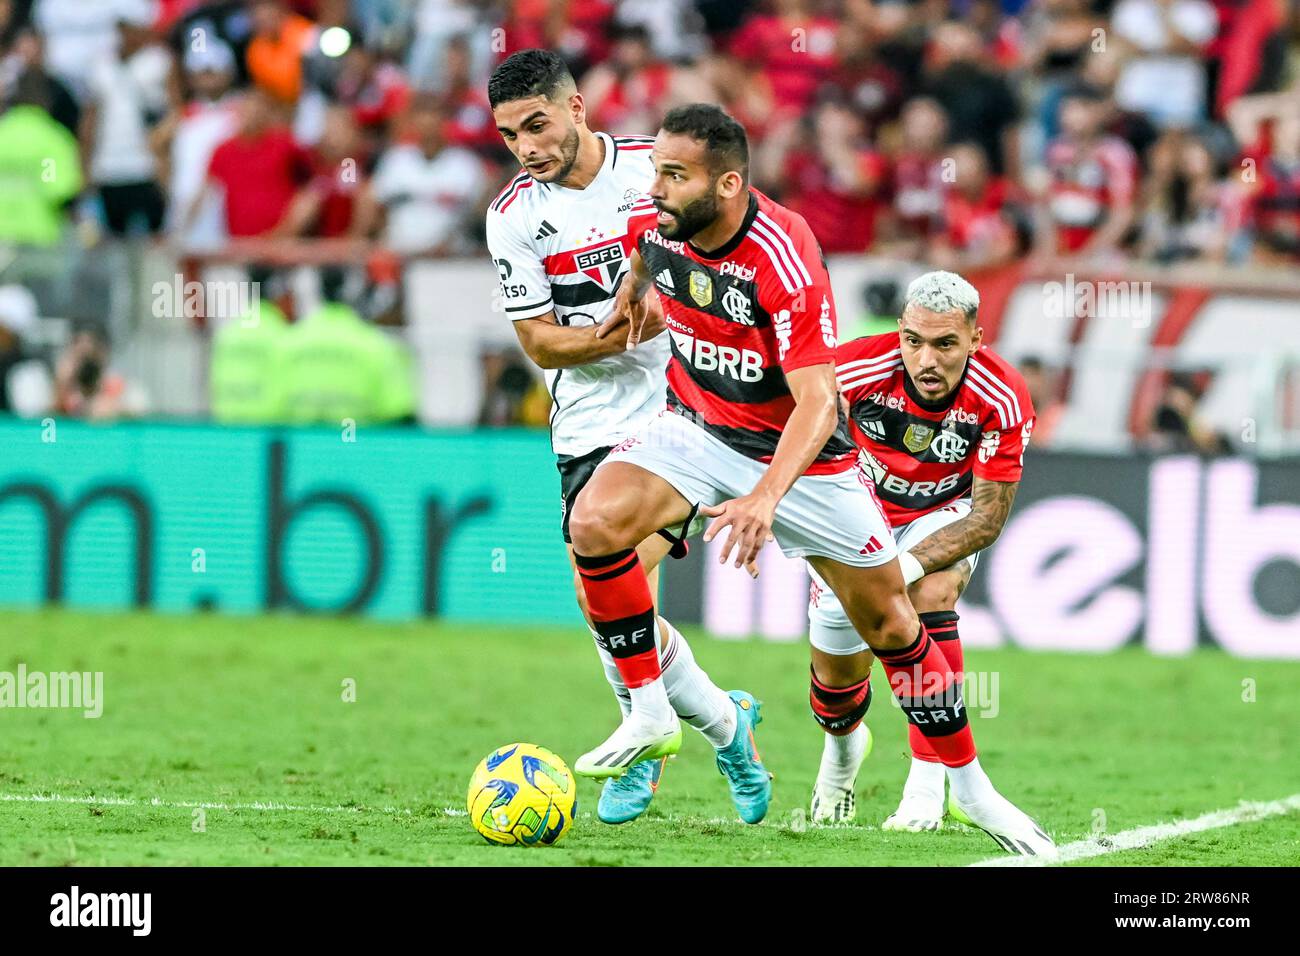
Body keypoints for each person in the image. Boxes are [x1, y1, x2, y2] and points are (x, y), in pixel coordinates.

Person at [584, 105, 1055, 856]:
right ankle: (650, 708)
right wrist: (631, 293)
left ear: (728, 182)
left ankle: (964, 786)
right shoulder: (653, 215)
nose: (658, 187)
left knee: (898, 625)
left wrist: (766, 498)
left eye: (675, 174)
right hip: (697, 427)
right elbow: (644, 249)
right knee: (593, 526)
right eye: (657, 171)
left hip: (805, 464)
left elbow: (816, 400)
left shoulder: (786, 252)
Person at [484, 50, 758, 825]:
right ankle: (729, 726)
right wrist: (611, 337)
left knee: (615, 573)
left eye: (536, 124)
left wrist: (678, 311)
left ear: (577, 107)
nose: (527, 147)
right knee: (601, 596)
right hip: (586, 421)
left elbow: (734, 255)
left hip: (683, 408)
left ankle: (645, 749)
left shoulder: (658, 170)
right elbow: (538, 343)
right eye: (510, 136)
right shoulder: (512, 217)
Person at [806, 271, 1041, 841]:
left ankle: (927, 780)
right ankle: (842, 751)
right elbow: (794, 426)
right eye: (914, 341)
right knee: (837, 670)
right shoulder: (854, 367)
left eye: (945, 344)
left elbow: (986, 517)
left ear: (976, 338)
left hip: (944, 512)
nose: (926, 360)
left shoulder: (1003, 396)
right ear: (899, 333)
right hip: (858, 510)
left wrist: (900, 572)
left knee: (926, 594)